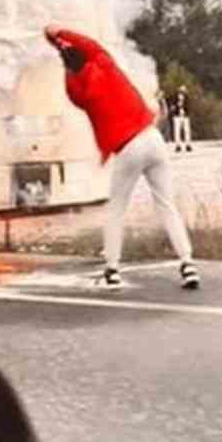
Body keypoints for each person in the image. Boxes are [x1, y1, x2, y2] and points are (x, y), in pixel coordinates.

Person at [44, 26, 199, 290]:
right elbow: (90, 42)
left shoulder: (79, 91)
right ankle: (188, 264)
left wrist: (60, 53)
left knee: (116, 210)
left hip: (127, 148)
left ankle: (112, 269)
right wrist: (60, 32)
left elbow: (72, 87)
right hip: (152, 139)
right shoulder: (104, 63)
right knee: (166, 205)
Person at [167, 86, 193, 152]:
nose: (183, 92)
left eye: (184, 91)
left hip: (185, 115)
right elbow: (171, 106)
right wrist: (176, 106)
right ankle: (178, 145)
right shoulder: (174, 97)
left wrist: (185, 109)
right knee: (177, 130)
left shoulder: (187, 97)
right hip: (177, 115)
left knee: (187, 130)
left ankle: (188, 145)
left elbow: (189, 105)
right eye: (181, 91)